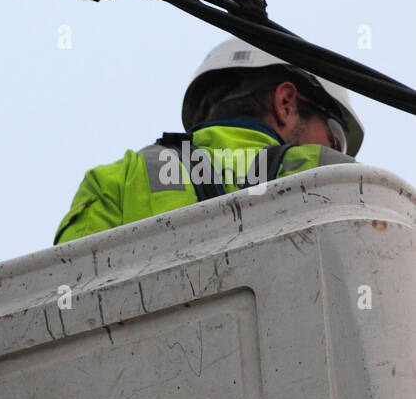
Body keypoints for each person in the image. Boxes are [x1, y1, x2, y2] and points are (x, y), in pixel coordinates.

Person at [55, 38, 363, 244]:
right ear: (286, 103)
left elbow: (66, 305)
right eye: (335, 137)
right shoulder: (333, 176)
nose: (334, 150)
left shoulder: (116, 180)